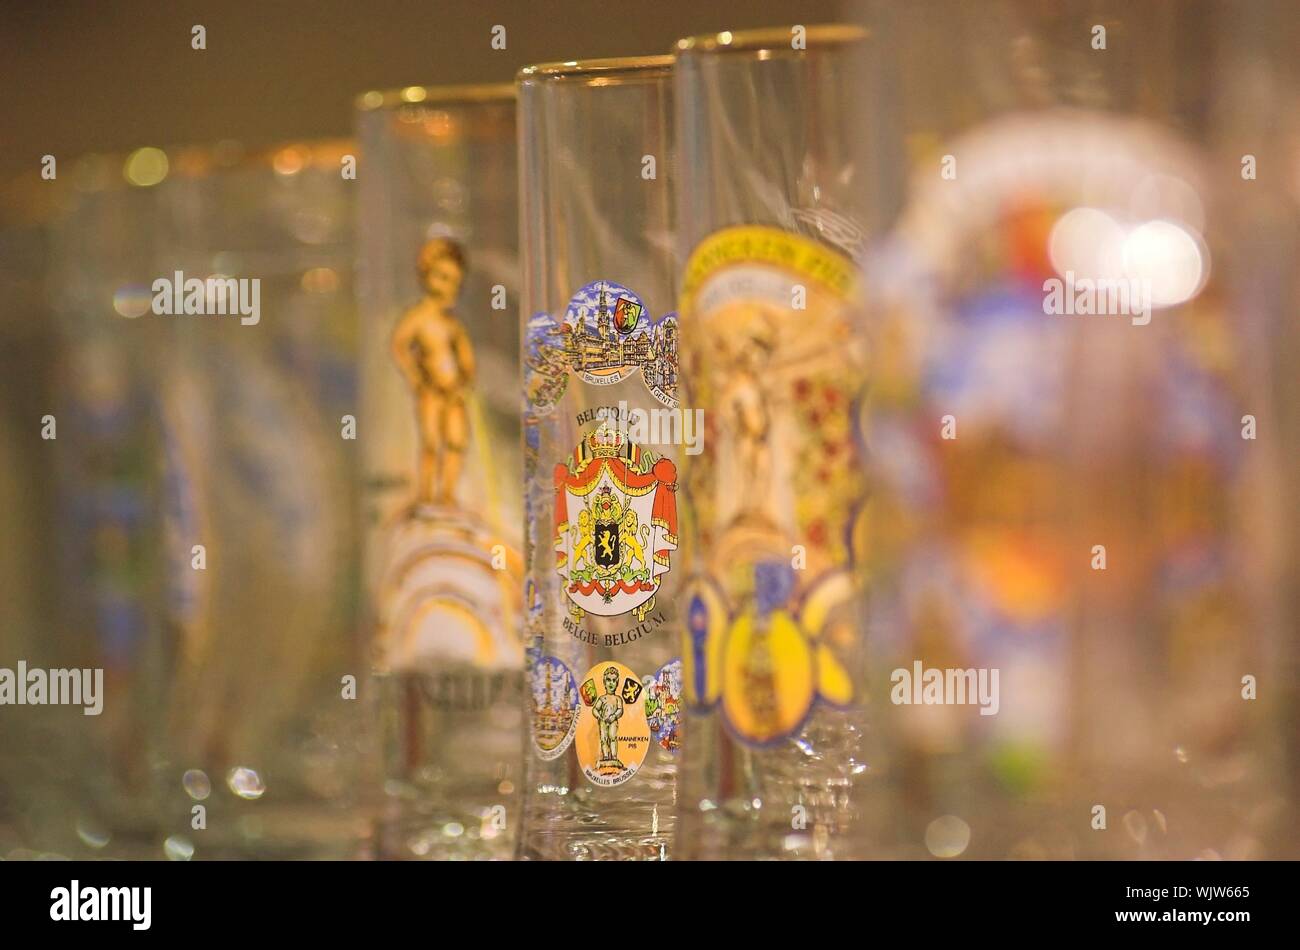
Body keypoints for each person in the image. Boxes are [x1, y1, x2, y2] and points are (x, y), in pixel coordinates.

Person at [390, 238, 475, 506]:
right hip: (431, 389)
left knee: (457, 441)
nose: (448, 287)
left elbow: (466, 357)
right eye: (442, 277)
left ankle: (447, 494)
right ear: (427, 276)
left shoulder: (452, 324)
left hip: (454, 392)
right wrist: (415, 376)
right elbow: (399, 345)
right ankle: (426, 495)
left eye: (454, 281)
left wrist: (464, 379)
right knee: (431, 443)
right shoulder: (418, 317)